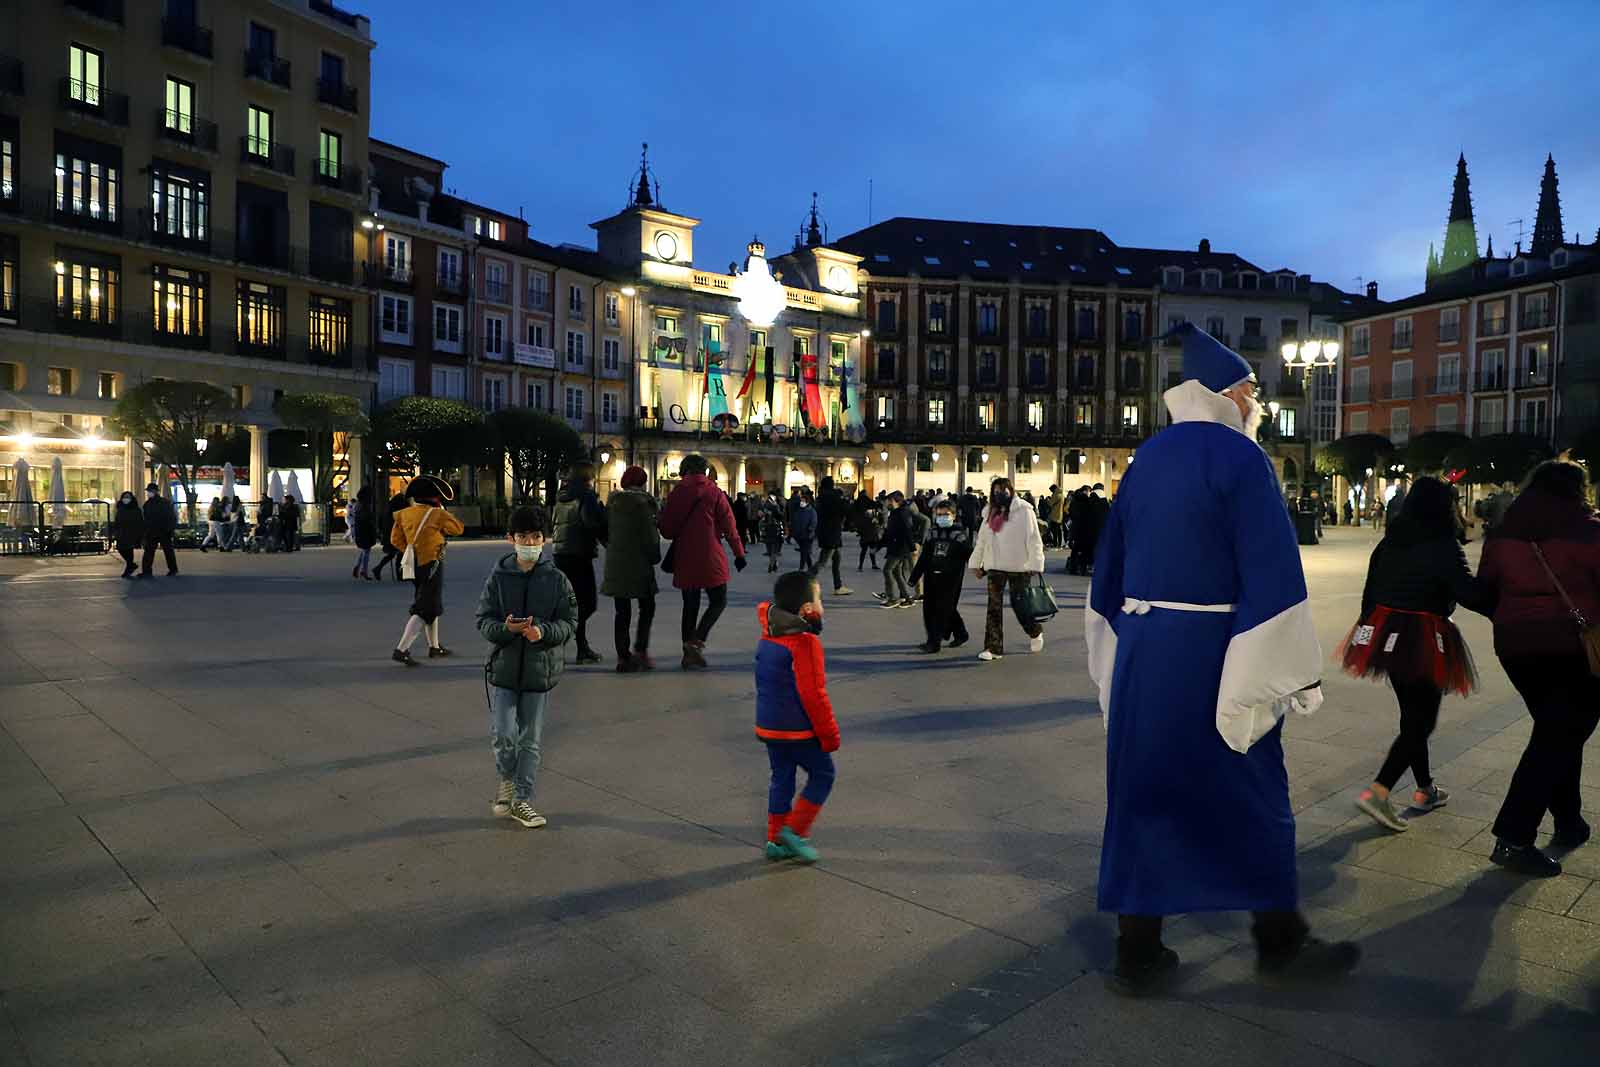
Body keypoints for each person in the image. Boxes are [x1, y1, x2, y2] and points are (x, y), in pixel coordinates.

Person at [1086, 323, 1356, 995]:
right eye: (1254, 390)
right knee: (1253, 790)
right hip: (1215, 654)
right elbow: (1271, 571)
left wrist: (1118, 659)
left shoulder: (1147, 458)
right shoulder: (1241, 459)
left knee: (1143, 793)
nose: (1257, 401)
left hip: (1147, 656)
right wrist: (1287, 671)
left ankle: (1137, 948)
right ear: (1232, 393)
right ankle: (1279, 938)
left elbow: (1107, 578)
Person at [1339, 476, 1489, 833]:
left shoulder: (1390, 542)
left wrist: (1367, 634)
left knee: (1413, 716)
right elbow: (1470, 595)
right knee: (1422, 721)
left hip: (1387, 631)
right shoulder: (1443, 544)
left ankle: (1425, 790)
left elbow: (1369, 592)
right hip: (1424, 636)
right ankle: (1380, 789)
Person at [1476, 460, 1600, 877]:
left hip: (1516, 648)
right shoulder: (1588, 531)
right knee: (1559, 734)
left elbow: (1486, 589)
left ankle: (1569, 820)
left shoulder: (1504, 534)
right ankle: (1513, 838)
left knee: (1557, 728)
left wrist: (1514, 618)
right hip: (1572, 648)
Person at [475, 504, 578, 830]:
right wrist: (508, 629)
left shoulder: (557, 579)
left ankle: (521, 799)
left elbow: (570, 622)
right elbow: (483, 620)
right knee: (503, 734)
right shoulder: (498, 577)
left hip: (539, 671)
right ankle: (507, 779)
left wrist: (543, 632)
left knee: (530, 739)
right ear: (510, 538)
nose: (530, 543)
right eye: (523, 536)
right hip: (504, 669)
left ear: (545, 540)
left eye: (536, 537)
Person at [755, 571, 838, 863]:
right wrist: (829, 734)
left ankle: (775, 839)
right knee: (824, 774)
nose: (822, 606)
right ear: (807, 610)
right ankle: (795, 831)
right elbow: (813, 694)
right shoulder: (805, 644)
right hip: (797, 730)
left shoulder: (768, 636)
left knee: (782, 779)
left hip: (769, 726)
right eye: (820, 599)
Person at [658, 454, 747, 670]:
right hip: (710, 556)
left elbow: (667, 530)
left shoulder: (677, 493)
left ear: (684, 470)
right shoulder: (714, 492)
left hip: (685, 556)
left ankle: (687, 653)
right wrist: (739, 554)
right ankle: (696, 642)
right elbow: (730, 526)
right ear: (705, 471)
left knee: (690, 605)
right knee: (719, 600)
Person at [390, 476, 466, 665]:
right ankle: (402, 649)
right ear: (434, 497)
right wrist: (442, 513)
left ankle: (434, 646)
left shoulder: (404, 514)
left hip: (413, 564)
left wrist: (412, 551)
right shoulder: (437, 514)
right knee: (425, 607)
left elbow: (395, 539)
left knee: (429, 602)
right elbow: (458, 529)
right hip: (432, 562)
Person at [969, 478, 1045, 660]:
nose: (1000, 494)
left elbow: (1034, 539)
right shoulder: (989, 513)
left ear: (1011, 491)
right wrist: (976, 563)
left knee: (1020, 605)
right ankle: (993, 648)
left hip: (1020, 566)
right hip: (995, 565)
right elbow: (982, 540)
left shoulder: (1024, 511)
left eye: (1003, 490)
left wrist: (1036, 563)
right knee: (993, 608)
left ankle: (1034, 631)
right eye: (996, 491)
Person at [601, 465, 660, 672]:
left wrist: (612, 549)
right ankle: (640, 651)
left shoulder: (613, 504)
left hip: (616, 563)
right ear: (643, 483)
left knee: (622, 611)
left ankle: (623, 657)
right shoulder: (644, 504)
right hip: (640, 564)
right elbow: (650, 536)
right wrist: (655, 556)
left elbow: (603, 530)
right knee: (647, 607)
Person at [551, 463, 608, 664]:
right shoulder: (586, 495)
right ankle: (565, 643)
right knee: (587, 604)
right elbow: (591, 523)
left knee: (572, 602)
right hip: (579, 554)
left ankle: (578, 646)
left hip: (561, 554)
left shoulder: (561, 497)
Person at [909, 496, 973, 652]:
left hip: (951, 579)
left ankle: (934, 642)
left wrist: (982, 569)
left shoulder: (960, 535)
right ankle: (961, 633)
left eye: (946, 514)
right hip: (932, 577)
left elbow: (970, 555)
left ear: (953, 515)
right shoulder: (932, 533)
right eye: (939, 514)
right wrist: (915, 577)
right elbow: (925, 557)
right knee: (933, 608)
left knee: (942, 609)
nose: (942, 517)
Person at [811, 476, 853, 596]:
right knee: (822, 561)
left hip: (825, 532)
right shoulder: (832, 497)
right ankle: (803, 581)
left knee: (836, 559)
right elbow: (845, 510)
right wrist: (845, 500)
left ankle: (838, 586)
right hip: (831, 533)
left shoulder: (821, 497)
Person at [876, 491, 917, 609]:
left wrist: (912, 548)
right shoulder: (895, 513)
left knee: (887, 570)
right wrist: (879, 546)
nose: (888, 503)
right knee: (896, 572)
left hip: (900, 547)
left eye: (890, 501)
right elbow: (889, 532)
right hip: (895, 546)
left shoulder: (902, 513)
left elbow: (907, 531)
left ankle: (892, 598)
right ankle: (907, 598)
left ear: (896, 501)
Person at [139, 483, 178, 578]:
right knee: (152, 551)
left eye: (150, 491)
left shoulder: (160, 503)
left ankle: (171, 569)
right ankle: (148, 571)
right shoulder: (149, 504)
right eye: (148, 491)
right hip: (156, 531)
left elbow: (170, 517)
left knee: (163, 551)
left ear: (155, 492)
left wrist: (170, 528)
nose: (148, 493)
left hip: (162, 530)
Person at [371, 492, 408, 580]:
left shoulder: (388, 509)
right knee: (400, 554)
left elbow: (381, 522)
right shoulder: (399, 511)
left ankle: (378, 568)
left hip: (389, 535)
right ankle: (399, 575)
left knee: (393, 554)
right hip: (396, 535)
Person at [112, 490, 144, 578]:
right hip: (121, 532)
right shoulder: (120, 509)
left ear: (131, 499)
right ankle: (130, 565)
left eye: (128, 497)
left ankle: (129, 568)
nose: (126, 499)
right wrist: (115, 531)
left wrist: (139, 535)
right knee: (121, 549)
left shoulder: (136, 510)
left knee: (129, 550)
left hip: (131, 532)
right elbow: (117, 521)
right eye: (124, 497)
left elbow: (140, 522)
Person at [349, 486, 378, 580]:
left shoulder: (358, 505)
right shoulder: (363, 506)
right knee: (366, 550)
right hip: (365, 530)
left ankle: (359, 568)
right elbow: (366, 518)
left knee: (365, 550)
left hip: (361, 530)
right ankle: (363, 571)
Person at [789, 487, 818, 572]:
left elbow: (814, 522)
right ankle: (810, 566)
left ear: (807, 502)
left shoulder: (811, 511)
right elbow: (795, 520)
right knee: (805, 551)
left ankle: (801, 567)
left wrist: (810, 529)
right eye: (801, 501)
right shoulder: (798, 510)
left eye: (803, 501)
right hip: (799, 534)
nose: (802, 502)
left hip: (807, 534)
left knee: (803, 552)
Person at [761, 492, 787, 572]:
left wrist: (776, 508)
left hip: (776, 529)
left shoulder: (779, 505)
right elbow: (762, 516)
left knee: (774, 549)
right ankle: (774, 562)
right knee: (770, 549)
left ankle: (771, 564)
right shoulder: (765, 506)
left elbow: (781, 516)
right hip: (768, 528)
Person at [858, 495, 885, 571]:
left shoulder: (872, 512)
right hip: (869, 533)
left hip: (870, 534)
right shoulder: (871, 511)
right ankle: (863, 565)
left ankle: (865, 565)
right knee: (867, 550)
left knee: (869, 550)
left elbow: (880, 521)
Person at [1045, 484, 1067, 548]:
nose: (1051, 492)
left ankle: (1055, 544)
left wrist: (1048, 500)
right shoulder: (1061, 495)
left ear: (1053, 489)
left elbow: (1050, 503)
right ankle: (1059, 543)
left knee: (1054, 531)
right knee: (1059, 530)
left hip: (1055, 515)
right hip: (1060, 515)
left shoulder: (1056, 495)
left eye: (1051, 490)